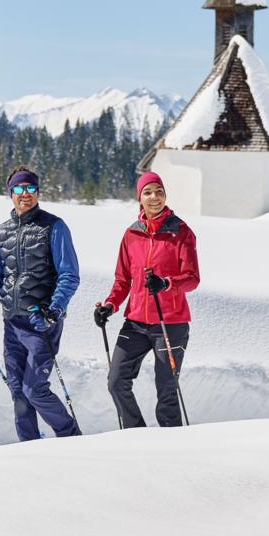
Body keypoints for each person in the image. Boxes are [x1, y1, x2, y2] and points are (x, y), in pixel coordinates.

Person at [0, 166, 83, 441]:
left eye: (29, 189)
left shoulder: (54, 227)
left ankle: (72, 437)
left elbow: (69, 275)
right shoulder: (0, 234)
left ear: (37, 192)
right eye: (18, 189)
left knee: (34, 389)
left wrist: (53, 311)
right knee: (18, 392)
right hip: (12, 324)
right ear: (10, 193)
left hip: (42, 324)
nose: (24, 194)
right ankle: (29, 449)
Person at [95, 171, 201, 428]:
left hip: (171, 323)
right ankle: (137, 435)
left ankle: (172, 442)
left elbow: (192, 278)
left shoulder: (181, 232)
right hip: (136, 322)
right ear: (139, 198)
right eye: (148, 192)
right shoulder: (132, 234)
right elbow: (122, 279)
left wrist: (166, 284)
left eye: (159, 191)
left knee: (166, 390)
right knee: (116, 381)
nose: (154, 197)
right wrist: (110, 305)